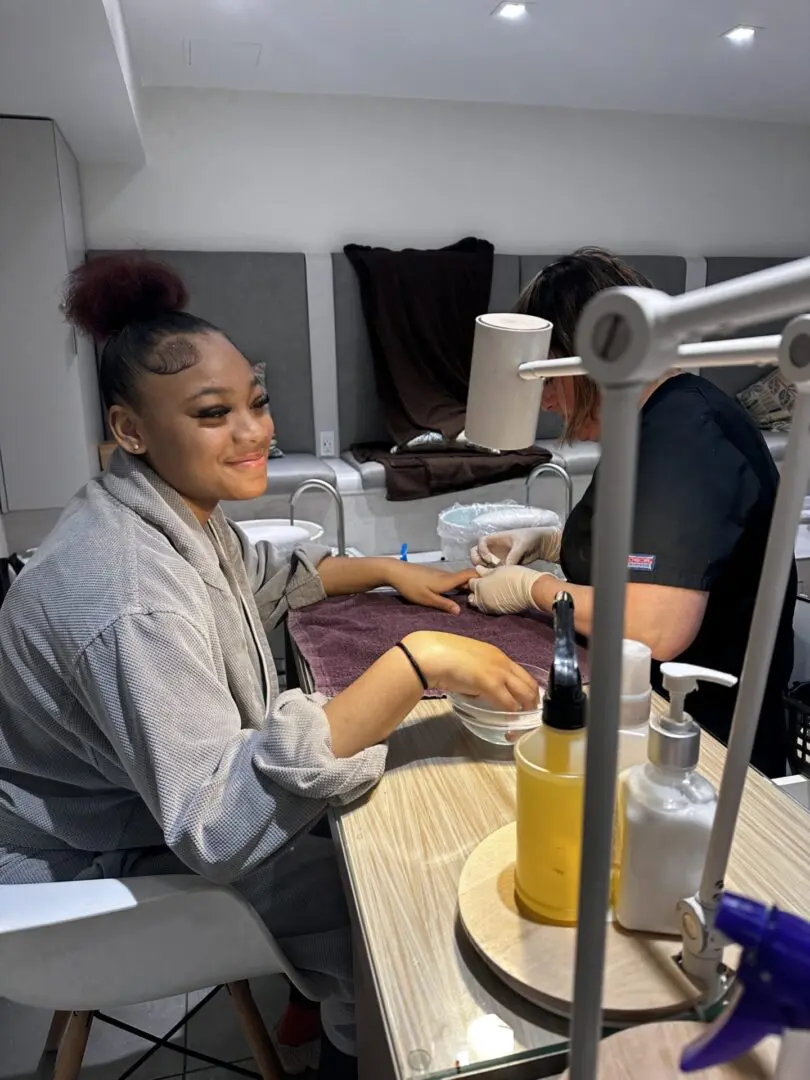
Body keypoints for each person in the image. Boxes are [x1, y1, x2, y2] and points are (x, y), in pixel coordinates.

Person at [0, 256, 539, 1077]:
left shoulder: (166, 513)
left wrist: (389, 570)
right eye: (213, 413)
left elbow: (261, 577)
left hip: (135, 821)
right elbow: (218, 824)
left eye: (255, 402)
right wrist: (416, 663)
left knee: (371, 816)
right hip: (82, 875)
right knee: (388, 903)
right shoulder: (129, 590)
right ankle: (358, 1037)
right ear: (130, 429)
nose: (254, 432)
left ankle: (314, 1009)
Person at [469, 247, 795, 779]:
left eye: (550, 378)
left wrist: (533, 589)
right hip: (638, 712)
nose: (547, 402)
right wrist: (550, 541)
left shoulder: (686, 432)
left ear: (594, 359)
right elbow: (649, 548)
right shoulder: (646, 422)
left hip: (701, 747)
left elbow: (655, 625)